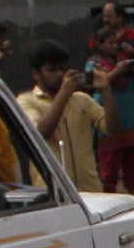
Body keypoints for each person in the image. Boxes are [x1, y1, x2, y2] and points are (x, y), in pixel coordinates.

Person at [18, 41, 105, 190]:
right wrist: (64, 92)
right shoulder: (26, 101)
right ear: (35, 74)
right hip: (53, 191)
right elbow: (39, 134)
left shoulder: (81, 99)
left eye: (61, 69)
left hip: (90, 189)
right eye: (51, 70)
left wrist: (106, 89)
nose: (59, 74)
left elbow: (112, 127)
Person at [86, 27, 134, 192]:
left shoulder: (123, 59)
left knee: (131, 159)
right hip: (109, 112)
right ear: (99, 45)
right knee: (110, 160)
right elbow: (96, 84)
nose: (114, 46)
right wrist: (117, 71)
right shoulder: (93, 63)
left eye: (115, 42)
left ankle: (132, 190)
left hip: (130, 114)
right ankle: (109, 192)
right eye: (109, 43)